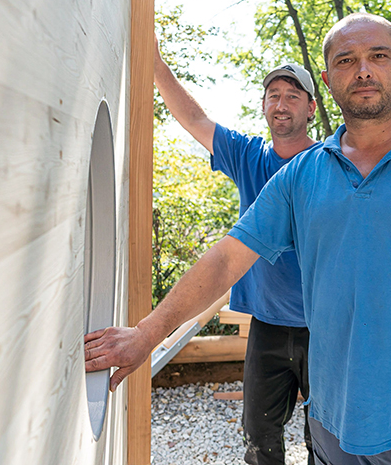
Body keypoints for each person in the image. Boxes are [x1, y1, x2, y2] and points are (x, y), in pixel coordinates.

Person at [86, 14, 391, 465]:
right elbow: (228, 259)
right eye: (347, 60)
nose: (364, 69)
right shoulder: (302, 175)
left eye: (379, 55)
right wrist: (146, 332)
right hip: (333, 428)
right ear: (329, 81)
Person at [152, 40, 322, 465]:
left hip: (326, 325)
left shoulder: (329, 162)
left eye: (293, 96)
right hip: (266, 322)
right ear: (264, 106)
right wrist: (153, 63)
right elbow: (193, 118)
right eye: (274, 96)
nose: (282, 104)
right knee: (259, 434)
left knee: (328, 434)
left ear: (311, 108)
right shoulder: (249, 156)